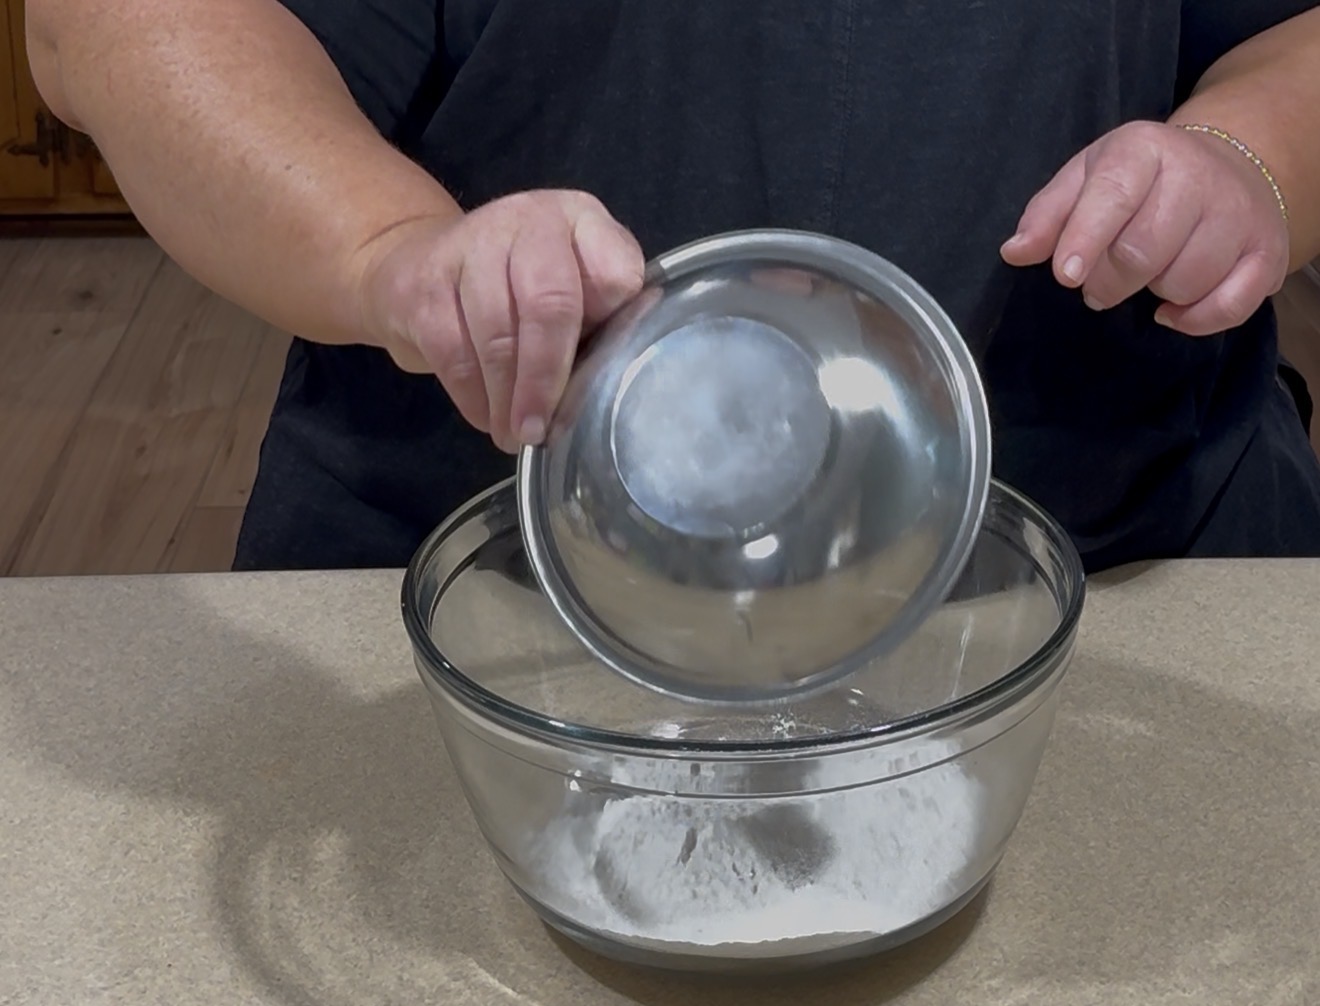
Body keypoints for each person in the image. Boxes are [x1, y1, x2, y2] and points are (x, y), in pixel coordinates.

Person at [25, 1, 1320, 573]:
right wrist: (392, 251)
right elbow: (120, 24)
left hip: (1125, 560)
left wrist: (1246, 153)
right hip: (486, 587)